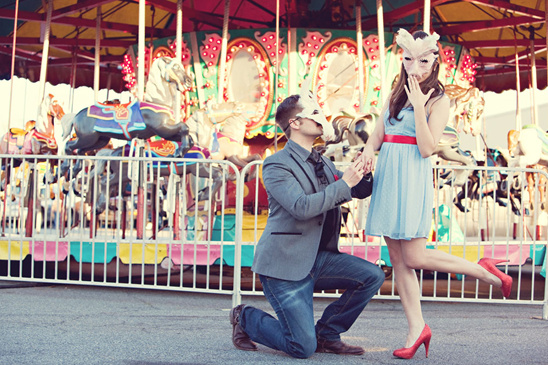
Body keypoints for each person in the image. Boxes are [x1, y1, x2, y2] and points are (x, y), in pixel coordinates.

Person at [360, 28, 513, 360]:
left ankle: (484, 271)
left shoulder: (439, 99)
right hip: (388, 174)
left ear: (434, 61)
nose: (416, 65)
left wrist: (418, 106)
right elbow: (377, 135)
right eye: (409, 59)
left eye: (424, 60)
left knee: (414, 257)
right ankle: (417, 329)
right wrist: (368, 152)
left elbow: (428, 148)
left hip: (411, 175)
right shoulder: (393, 94)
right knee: (398, 260)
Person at [229, 83, 386, 359]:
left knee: (371, 276)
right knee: (301, 347)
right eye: (314, 114)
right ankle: (245, 318)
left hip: (318, 258)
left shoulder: (322, 162)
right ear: (296, 123)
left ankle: (327, 333)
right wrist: (345, 183)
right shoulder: (276, 164)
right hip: (285, 265)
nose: (320, 119)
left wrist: (365, 170)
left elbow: (357, 189)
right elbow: (301, 207)